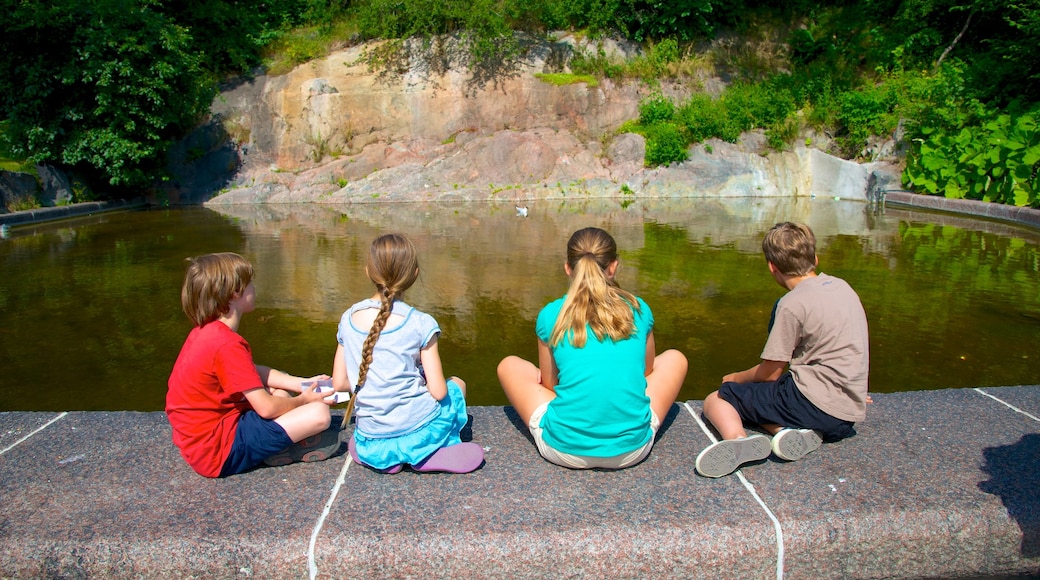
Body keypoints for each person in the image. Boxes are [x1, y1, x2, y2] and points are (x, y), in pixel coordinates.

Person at [497, 227, 688, 469]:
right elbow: (647, 371)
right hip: (633, 450)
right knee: (674, 358)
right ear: (613, 266)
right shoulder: (638, 308)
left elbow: (550, 385)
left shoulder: (551, 314)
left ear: (568, 267)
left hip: (562, 449)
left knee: (510, 365)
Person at [695, 222, 870, 478]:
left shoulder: (790, 305)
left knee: (719, 398)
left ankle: (738, 440)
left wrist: (734, 378)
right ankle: (786, 433)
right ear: (816, 258)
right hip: (846, 414)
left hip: (811, 405)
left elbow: (770, 374)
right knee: (761, 400)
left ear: (772, 267)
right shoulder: (843, 287)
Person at [167, 252, 340, 478]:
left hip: (203, 441)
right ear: (236, 292)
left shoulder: (206, 333)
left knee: (280, 390)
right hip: (218, 453)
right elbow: (266, 409)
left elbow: (249, 371)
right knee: (318, 414)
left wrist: (302, 383)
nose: (254, 289)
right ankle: (287, 447)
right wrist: (304, 399)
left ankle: (280, 443)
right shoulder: (226, 344)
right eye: (250, 284)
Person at [332, 233, 483, 474]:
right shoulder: (420, 322)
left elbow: (340, 383)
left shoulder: (348, 319)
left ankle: (388, 457)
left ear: (368, 272)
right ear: (414, 274)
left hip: (371, 436)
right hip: (418, 429)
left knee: (375, 437)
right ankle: (429, 451)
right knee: (457, 385)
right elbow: (439, 391)